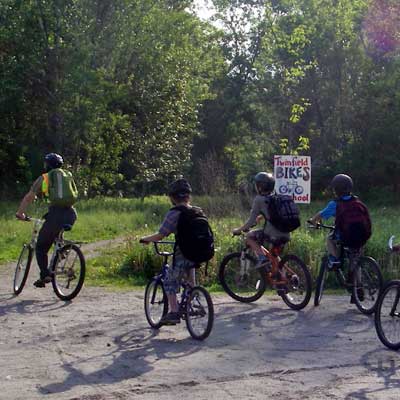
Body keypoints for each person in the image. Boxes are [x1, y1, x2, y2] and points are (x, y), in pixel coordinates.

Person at [139, 179, 197, 325]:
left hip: (183, 253)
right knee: (190, 282)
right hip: (200, 253)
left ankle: (174, 312)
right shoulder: (197, 211)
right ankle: (192, 300)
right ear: (188, 196)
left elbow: (161, 235)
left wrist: (146, 239)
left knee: (169, 282)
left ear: (172, 197)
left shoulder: (175, 213)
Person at [15, 153, 77, 288]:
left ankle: (45, 274)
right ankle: (61, 253)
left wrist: (20, 213)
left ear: (47, 165)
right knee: (56, 236)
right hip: (71, 214)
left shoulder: (45, 177)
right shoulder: (67, 175)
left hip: (56, 214)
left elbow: (29, 197)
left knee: (41, 247)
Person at [232, 172, 290, 269]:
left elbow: (250, 221)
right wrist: (261, 217)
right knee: (274, 256)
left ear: (260, 187)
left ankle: (262, 258)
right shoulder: (276, 197)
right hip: (286, 233)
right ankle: (287, 277)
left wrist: (238, 230)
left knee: (249, 237)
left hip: (273, 234)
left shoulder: (259, 199)